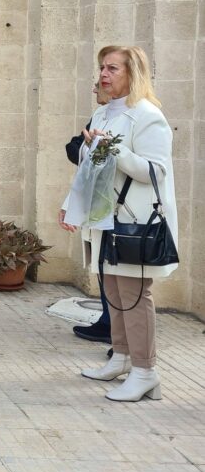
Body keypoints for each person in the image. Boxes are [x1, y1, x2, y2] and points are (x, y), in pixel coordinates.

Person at [59, 45, 177, 402]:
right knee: (112, 291)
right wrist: (69, 205)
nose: (103, 75)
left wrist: (115, 150)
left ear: (132, 73)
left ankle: (146, 371)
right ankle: (122, 357)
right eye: (102, 68)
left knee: (135, 296)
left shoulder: (148, 116)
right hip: (105, 217)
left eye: (112, 68)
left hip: (134, 222)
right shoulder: (102, 113)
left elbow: (155, 171)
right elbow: (89, 167)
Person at [65, 81, 112, 344]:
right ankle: (108, 323)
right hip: (98, 205)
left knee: (117, 272)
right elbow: (74, 147)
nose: (94, 90)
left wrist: (93, 149)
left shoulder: (137, 116)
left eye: (99, 85)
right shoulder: (101, 114)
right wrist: (87, 148)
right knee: (102, 265)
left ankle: (120, 336)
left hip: (117, 209)